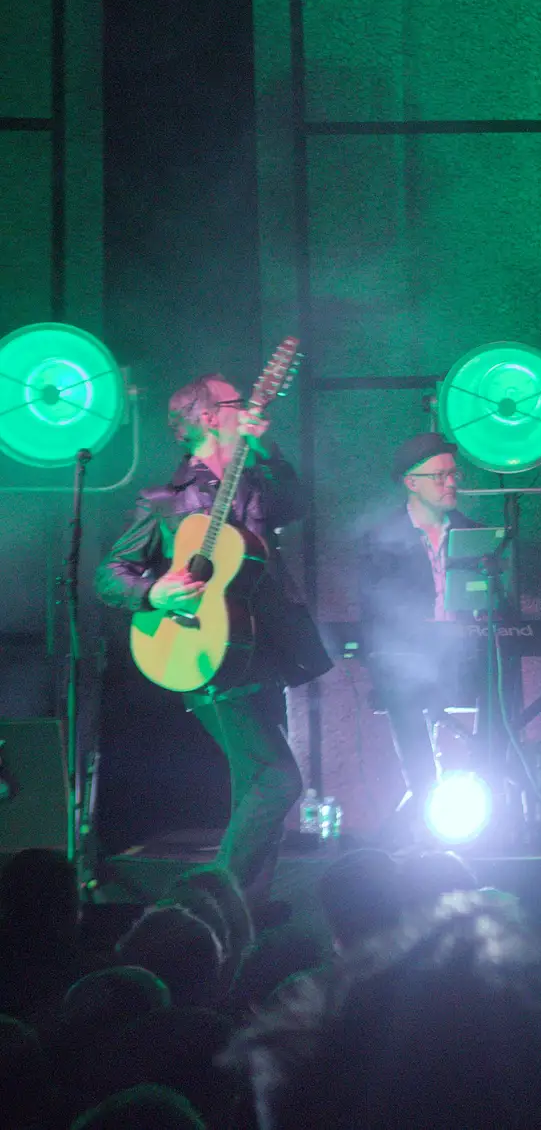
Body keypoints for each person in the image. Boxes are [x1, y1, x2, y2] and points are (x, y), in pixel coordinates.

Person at [97, 373, 330, 909]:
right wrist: (155, 590)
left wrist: (264, 446)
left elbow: (297, 502)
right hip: (201, 651)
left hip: (263, 647)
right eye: (236, 401)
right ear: (207, 417)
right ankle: (205, 904)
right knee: (277, 784)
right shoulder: (163, 500)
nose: (247, 405)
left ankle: (243, 918)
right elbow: (112, 574)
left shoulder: (255, 483)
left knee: (257, 791)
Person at [356, 434, 483, 839]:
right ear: (411, 482)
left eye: (454, 474)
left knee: (499, 702)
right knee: (406, 699)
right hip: (406, 655)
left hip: (465, 651)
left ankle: (479, 807)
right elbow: (373, 609)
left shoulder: (474, 532)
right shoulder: (381, 537)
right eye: (440, 475)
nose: (451, 483)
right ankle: (424, 811)